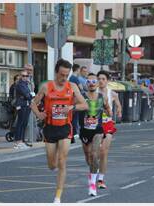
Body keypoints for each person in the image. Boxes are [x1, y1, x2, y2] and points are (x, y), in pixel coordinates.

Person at [31, 59, 88, 203]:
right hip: (50, 128)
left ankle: (58, 197)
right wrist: (39, 114)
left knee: (63, 161)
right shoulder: (46, 87)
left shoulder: (72, 86)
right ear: (56, 72)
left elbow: (84, 105)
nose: (64, 78)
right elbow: (33, 103)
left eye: (67, 75)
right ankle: (53, 162)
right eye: (62, 74)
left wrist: (71, 108)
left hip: (65, 127)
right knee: (52, 165)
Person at [79, 73, 112, 196]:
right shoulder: (81, 96)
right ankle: (92, 172)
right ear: (86, 83)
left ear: (97, 84)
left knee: (94, 154)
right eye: (89, 81)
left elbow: (108, 109)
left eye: (94, 81)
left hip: (97, 130)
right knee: (88, 157)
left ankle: (93, 184)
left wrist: (109, 113)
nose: (92, 83)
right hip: (84, 130)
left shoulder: (102, 97)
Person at [97, 70, 122, 189]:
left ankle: (101, 179)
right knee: (95, 153)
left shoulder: (112, 94)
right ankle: (94, 171)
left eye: (103, 79)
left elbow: (118, 105)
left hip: (107, 124)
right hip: (95, 125)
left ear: (107, 81)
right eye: (99, 79)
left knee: (104, 152)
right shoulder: (93, 93)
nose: (101, 81)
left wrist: (119, 110)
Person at [14, 70, 33, 149]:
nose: (25, 77)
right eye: (23, 76)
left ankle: (21, 141)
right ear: (20, 76)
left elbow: (30, 93)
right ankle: (18, 141)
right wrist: (30, 95)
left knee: (24, 123)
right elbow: (27, 95)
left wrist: (31, 84)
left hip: (26, 105)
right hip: (21, 105)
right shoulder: (20, 84)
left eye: (26, 76)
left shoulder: (26, 84)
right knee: (20, 123)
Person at [69, 64, 83, 143]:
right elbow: (81, 87)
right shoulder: (75, 78)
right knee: (76, 117)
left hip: (72, 99)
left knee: (73, 117)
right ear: (77, 70)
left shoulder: (70, 78)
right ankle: (75, 133)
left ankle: (73, 133)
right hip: (76, 99)